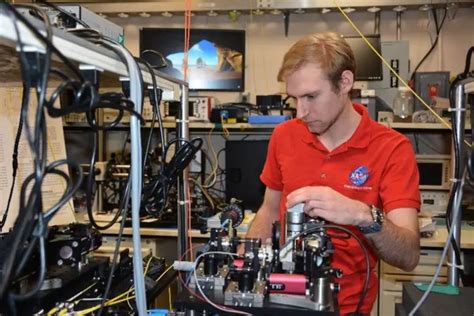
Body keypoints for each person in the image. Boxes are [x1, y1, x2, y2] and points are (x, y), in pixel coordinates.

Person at [244, 32, 420, 315]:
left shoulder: (392, 148)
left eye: (312, 96)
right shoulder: (284, 136)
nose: (301, 112)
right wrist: (246, 263)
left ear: (345, 82)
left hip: (348, 306)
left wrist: (362, 215)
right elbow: (269, 209)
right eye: (294, 99)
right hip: (282, 300)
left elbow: (408, 254)